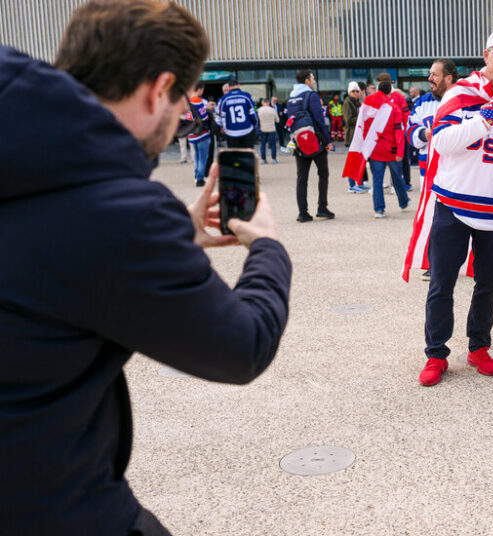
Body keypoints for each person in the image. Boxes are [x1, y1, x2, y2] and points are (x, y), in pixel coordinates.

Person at [0, 2, 291, 534]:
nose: (184, 115)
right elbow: (241, 347)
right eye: (184, 99)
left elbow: (48, 250)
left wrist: (176, 232)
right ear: (159, 90)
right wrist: (268, 247)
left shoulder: (27, 157)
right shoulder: (120, 214)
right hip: (46, 502)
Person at [410, 28, 493, 386]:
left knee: (487, 285)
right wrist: (482, 121)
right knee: (442, 283)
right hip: (454, 205)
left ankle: (479, 347)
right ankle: (436, 353)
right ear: (487, 54)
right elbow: (441, 141)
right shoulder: (462, 93)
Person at [406, 58, 457, 281]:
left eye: (434, 75)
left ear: (448, 78)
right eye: (430, 74)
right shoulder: (422, 103)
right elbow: (410, 130)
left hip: (458, 172)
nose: (430, 79)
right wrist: (423, 134)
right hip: (430, 173)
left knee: (460, 218)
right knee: (433, 218)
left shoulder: (465, 99)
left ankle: (463, 263)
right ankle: (434, 263)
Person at [286, 69, 334, 222]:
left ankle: (303, 212)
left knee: (302, 177)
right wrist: (327, 141)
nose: (314, 81)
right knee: (323, 173)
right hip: (315, 141)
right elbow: (319, 120)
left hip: (299, 141)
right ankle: (322, 208)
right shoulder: (311, 95)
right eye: (313, 78)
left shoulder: (291, 97)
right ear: (307, 80)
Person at [360, 73, 409, 218]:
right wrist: (400, 150)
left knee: (377, 180)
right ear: (389, 91)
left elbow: (361, 126)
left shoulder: (368, 105)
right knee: (397, 177)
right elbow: (399, 130)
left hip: (375, 150)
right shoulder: (393, 108)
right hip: (392, 149)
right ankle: (403, 201)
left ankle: (379, 209)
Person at [342, 81, 368, 193]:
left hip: (358, 135)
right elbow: (348, 120)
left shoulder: (357, 102)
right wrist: (361, 118)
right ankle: (352, 185)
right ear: (349, 92)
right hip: (352, 135)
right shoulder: (348, 102)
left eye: (357, 91)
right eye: (353, 91)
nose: (356, 93)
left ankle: (360, 183)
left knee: (359, 160)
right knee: (353, 160)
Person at [216, 79, 258, 148]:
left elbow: (219, 115)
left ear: (229, 87)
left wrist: (221, 127)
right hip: (246, 130)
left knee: (235, 156)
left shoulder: (223, 99)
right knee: (248, 155)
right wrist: (255, 126)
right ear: (239, 85)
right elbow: (254, 111)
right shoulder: (247, 96)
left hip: (231, 132)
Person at [187, 82, 212, 186]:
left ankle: (196, 175)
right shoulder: (197, 100)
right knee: (202, 157)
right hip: (201, 133)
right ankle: (200, 179)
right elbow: (204, 117)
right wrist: (207, 110)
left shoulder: (186, 101)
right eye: (202, 90)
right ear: (199, 89)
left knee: (196, 156)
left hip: (191, 132)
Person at [257, 98, 279, 164]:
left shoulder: (259, 110)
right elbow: (278, 120)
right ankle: (274, 159)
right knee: (273, 144)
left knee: (263, 144)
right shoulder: (273, 110)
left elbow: (257, 119)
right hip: (271, 128)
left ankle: (263, 159)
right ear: (268, 103)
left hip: (263, 128)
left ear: (262, 103)